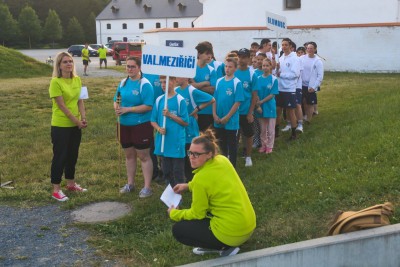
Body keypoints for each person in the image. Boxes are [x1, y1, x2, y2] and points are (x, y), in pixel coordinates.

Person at [168, 129, 256, 257]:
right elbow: (213, 181)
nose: (191, 157)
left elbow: (197, 214)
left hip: (232, 235)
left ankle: (223, 247)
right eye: (190, 153)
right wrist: (188, 186)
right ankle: (223, 242)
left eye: (196, 154)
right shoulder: (222, 160)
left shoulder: (200, 179)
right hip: (248, 226)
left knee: (178, 230)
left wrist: (174, 213)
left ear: (209, 154)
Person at [49, 52, 88, 201]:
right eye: (65, 62)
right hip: (61, 125)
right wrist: (76, 121)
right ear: (59, 65)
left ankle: (71, 183)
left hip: (75, 125)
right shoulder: (55, 82)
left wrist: (83, 118)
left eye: (70, 61)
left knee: (73, 155)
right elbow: (62, 105)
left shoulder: (77, 80)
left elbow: (80, 101)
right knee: (60, 156)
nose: (69, 64)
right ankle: (56, 189)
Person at [114, 57, 154, 198]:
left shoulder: (145, 84)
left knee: (143, 156)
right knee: (129, 155)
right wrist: (117, 107)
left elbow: (148, 105)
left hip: (141, 124)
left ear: (139, 68)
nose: (129, 69)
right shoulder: (123, 83)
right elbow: (116, 99)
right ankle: (130, 184)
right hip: (124, 124)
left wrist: (128, 109)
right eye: (127, 66)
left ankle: (147, 187)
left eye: (132, 66)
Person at [151, 76, 189, 187]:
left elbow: (185, 122)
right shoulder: (159, 100)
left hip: (176, 141)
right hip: (164, 142)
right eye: (161, 82)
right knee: (166, 170)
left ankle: (179, 194)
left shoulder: (179, 100)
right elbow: (153, 120)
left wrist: (170, 115)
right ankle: (169, 193)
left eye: (166, 82)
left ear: (174, 81)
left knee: (177, 171)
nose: (163, 85)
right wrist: (158, 128)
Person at [175, 77, 215, 181]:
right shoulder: (175, 90)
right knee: (182, 152)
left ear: (186, 78)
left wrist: (197, 109)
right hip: (179, 126)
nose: (176, 79)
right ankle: (185, 177)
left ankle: (194, 177)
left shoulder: (191, 90)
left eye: (179, 76)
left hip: (190, 126)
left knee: (191, 151)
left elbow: (211, 99)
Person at [212, 57, 244, 167]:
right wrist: (214, 114)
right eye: (226, 66)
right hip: (218, 118)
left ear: (235, 68)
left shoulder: (237, 83)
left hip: (231, 120)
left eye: (230, 67)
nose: (227, 69)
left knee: (232, 144)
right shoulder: (219, 81)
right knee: (221, 143)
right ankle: (224, 164)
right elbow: (214, 99)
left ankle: (232, 167)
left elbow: (237, 102)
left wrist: (227, 117)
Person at [235, 48, 257, 167]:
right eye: (239, 57)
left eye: (244, 57)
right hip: (234, 111)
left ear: (249, 59)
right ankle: (231, 155)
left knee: (248, 134)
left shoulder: (252, 74)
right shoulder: (233, 71)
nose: (241, 59)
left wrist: (250, 112)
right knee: (234, 135)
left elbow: (254, 95)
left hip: (245, 110)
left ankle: (248, 157)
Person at [276, 38, 301, 140]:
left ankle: (294, 133)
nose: (284, 47)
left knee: (290, 111)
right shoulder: (281, 58)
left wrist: (281, 74)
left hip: (289, 88)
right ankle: (276, 131)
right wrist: (277, 68)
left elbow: (295, 74)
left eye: (286, 45)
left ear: (290, 46)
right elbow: (277, 72)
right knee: (278, 110)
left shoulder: (295, 58)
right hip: (279, 87)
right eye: (283, 45)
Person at [190, 41, 217, 131]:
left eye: (210, 54)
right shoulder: (191, 68)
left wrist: (195, 85)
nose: (209, 56)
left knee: (207, 138)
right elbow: (188, 86)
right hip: (192, 108)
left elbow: (213, 90)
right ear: (199, 54)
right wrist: (205, 83)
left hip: (207, 109)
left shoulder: (211, 70)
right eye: (206, 54)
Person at [254, 58, 279, 153]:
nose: (265, 67)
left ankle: (270, 146)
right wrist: (258, 105)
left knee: (270, 129)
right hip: (260, 107)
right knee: (263, 129)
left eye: (267, 65)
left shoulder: (273, 79)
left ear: (271, 67)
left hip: (269, 106)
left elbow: (272, 94)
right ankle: (263, 145)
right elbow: (255, 93)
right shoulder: (258, 78)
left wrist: (262, 102)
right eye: (263, 65)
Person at [300, 41, 324, 123]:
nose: (309, 50)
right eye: (308, 48)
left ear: (315, 49)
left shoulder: (318, 61)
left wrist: (314, 87)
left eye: (311, 48)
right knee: (303, 101)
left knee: (309, 103)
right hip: (301, 84)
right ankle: (306, 115)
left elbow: (320, 76)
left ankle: (309, 119)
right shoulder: (302, 58)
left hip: (311, 86)